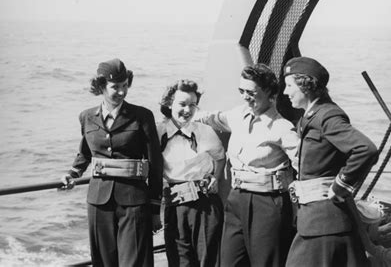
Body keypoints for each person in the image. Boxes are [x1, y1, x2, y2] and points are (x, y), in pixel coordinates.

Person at [60, 58, 163, 267]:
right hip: (99, 203)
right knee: (104, 263)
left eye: (125, 86)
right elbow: (85, 153)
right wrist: (72, 174)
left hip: (134, 202)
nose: (122, 92)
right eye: (115, 87)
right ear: (100, 87)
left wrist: (154, 209)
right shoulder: (87, 117)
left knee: (135, 263)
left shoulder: (142, 116)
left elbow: (155, 164)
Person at [197, 63, 299, 267]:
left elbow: (305, 165)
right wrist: (183, 111)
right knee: (229, 262)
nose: (245, 97)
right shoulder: (237, 115)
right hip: (236, 199)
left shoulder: (282, 128)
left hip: (268, 204)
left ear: (268, 91)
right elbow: (211, 118)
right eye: (241, 91)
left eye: (251, 92)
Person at [283, 56, 379, 267]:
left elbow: (366, 149)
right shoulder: (311, 117)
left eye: (289, 85)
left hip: (324, 222)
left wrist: (341, 185)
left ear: (305, 85)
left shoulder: (327, 116)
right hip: (317, 221)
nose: (285, 92)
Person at [157, 79, 225, 267]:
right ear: (169, 103)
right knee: (179, 261)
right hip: (175, 204)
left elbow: (220, 157)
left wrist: (216, 177)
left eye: (192, 105)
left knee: (207, 261)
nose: (187, 110)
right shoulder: (158, 132)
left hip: (204, 204)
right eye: (182, 104)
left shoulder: (205, 131)